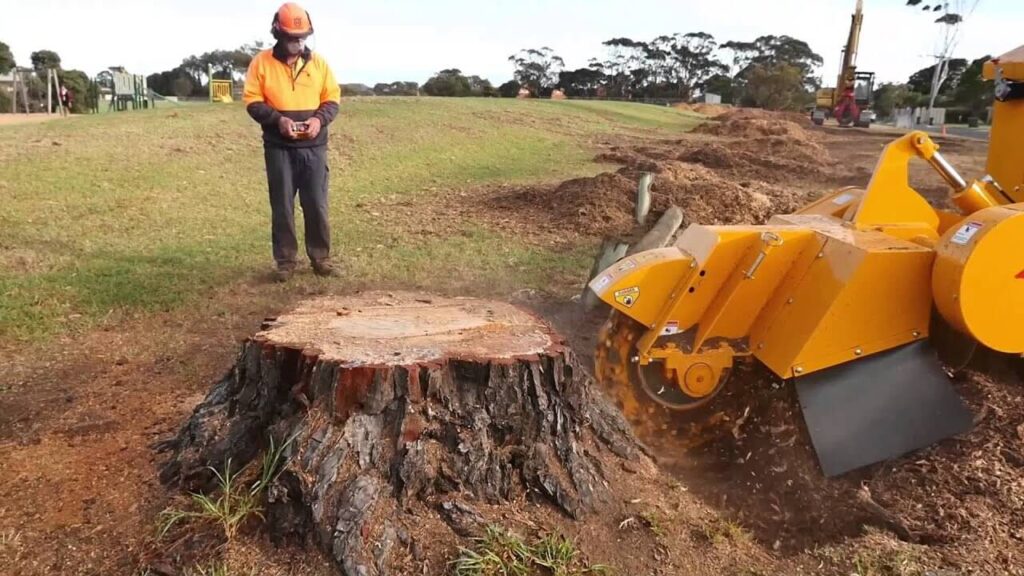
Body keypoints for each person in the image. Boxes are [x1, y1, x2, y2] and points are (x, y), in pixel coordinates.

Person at [243, 2, 342, 281]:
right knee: (282, 205)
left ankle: (320, 258)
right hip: (279, 148)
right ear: (277, 33)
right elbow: (252, 101)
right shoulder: (261, 63)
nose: (297, 43)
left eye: (302, 37)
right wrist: (278, 121)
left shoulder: (319, 63)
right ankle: (285, 262)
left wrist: (318, 120)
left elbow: (332, 99)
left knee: (316, 204)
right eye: (291, 37)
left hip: (314, 147)